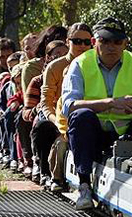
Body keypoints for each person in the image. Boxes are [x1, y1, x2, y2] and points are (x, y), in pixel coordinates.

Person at [61, 17, 132, 210]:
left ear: (125, 43)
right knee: (80, 116)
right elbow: (69, 106)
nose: (112, 47)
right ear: (94, 42)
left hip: (128, 132)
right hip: (95, 134)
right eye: (105, 41)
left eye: (117, 42)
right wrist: (111, 104)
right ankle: (84, 185)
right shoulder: (80, 64)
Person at [38, 22, 93, 189]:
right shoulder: (55, 67)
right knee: (43, 128)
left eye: (86, 42)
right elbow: (46, 102)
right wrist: (58, 122)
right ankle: (48, 173)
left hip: (88, 116)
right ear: (68, 41)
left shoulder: (97, 65)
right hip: (59, 117)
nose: (82, 46)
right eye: (77, 41)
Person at [21, 40, 69, 182]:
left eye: (65, 54)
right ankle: (42, 167)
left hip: (66, 118)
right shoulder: (37, 82)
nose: (61, 57)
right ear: (48, 57)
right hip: (49, 118)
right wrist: (42, 109)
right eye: (57, 54)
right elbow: (26, 112)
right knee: (43, 125)